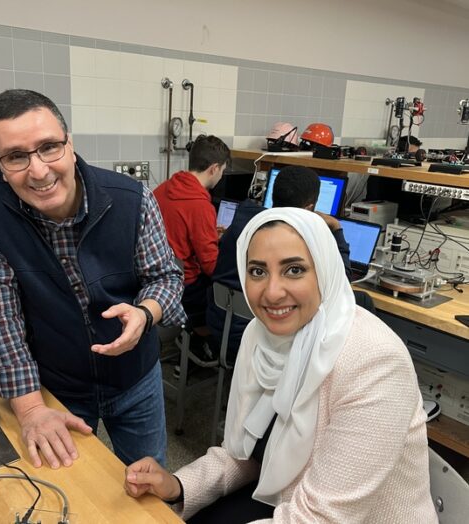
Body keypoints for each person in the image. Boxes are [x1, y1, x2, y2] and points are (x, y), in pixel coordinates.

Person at [125, 207, 438, 524]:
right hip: (286, 500)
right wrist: (178, 486)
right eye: (258, 272)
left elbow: (322, 518)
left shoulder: (374, 362)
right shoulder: (260, 337)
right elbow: (243, 452)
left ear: (325, 269)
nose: (272, 293)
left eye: (294, 270)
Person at [0, 89, 186, 469]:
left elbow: (165, 275)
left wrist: (145, 313)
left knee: (149, 487)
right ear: (0, 164)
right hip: (53, 385)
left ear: (70, 144)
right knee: (71, 488)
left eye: (49, 147)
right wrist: (31, 408)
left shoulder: (131, 198)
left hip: (135, 378)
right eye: (16, 156)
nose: (38, 170)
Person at [206, 165, 352, 362]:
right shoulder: (302, 241)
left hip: (220, 323)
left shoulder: (243, 224)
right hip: (262, 336)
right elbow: (340, 285)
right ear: (310, 208)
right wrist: (336, 228)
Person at [154, 135, 230, 332]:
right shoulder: (201, 206)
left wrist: (210, 232)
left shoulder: (164, 188)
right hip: (186, 285)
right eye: (222, 170)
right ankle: (213, 347)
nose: (221, 176)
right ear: (214, 169)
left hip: (160, 274)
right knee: (231, 288)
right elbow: (210, 266)